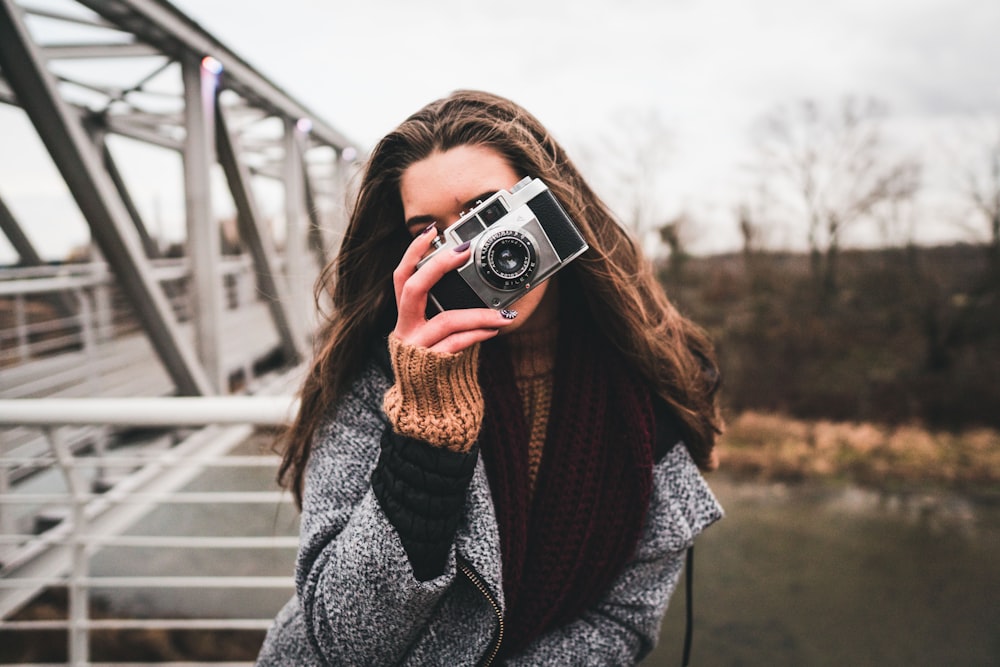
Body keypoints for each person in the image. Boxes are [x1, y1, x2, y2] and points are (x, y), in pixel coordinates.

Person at [255, 90, 724, 666]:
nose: (472, 251)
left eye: (489, 213)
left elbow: (622, 620)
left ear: (551, 204)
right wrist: (423, 432)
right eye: (430, 232)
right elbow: (347, 643)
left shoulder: (647, 383)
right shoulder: (374, 370)